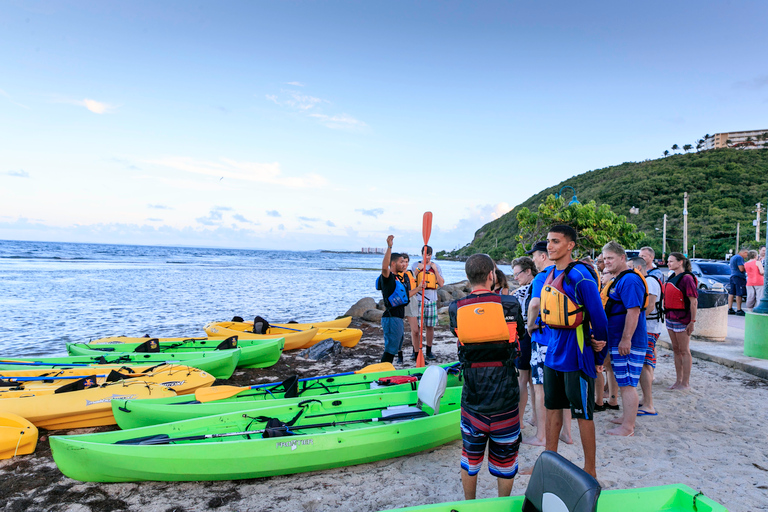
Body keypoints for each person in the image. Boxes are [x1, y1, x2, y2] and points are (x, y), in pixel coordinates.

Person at [448, 253, 525, 500]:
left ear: (468, 278)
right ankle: (502, 505)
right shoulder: (511, 305)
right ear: (492, 275)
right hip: (506, 399)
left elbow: (459, 335)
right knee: (506, 460)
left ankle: (470, 505)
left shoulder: (455, 308)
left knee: (470, 459)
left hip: (473, 399)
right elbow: (520, 336)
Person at [538, 226, 608, 477]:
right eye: (548, 241)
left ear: (570, 246)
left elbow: (600, 320)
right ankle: (549, 462)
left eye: (556, 241)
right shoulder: (549, 274)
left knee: (583, 414)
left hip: (577, 356)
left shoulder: (581, 276)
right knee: (552, 408)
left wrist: (599, 356)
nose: (550, 246)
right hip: (553, 354)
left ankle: (591, 471)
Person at [522, 243, 573, 448]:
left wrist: (530, 324)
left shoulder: (542, 276)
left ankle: (541, 436)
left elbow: (534, 304)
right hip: (565, 338)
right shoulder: (569, 273)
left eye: (534, 255)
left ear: (543, 256)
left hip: (543, 339)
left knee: (541, 387)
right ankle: (567, 434)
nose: (533, 260)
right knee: (563, 389)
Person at [601, 243, 647, 436]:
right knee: (623, 380)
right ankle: (626, 417)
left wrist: (626, 339)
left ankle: (628, 427)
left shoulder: (629, 280)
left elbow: (633, 312)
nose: (606, 262)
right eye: (604, 259)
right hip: (617, 338)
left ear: (622, 258)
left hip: (629, 340)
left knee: (628, 383)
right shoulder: (619, 279)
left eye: (610, 258)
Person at [628, 257, 662, 416]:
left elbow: (650, 305)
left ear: (639, 267)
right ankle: (645, 399)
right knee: (643, 364)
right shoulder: (644, 281)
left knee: (645, 365)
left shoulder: (649, 281)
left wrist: (636, 323)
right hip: (646, 327)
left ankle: (649, 403)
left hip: (648, 328)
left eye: (630, 267)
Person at [664, 252, 698, 390]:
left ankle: (685, 382)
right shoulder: (672, 277)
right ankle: (678, 380)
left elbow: (693, 301)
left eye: (671, 261)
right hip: (670, 317)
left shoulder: (687, 278)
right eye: (668, 261)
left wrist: (692, 321)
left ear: (680, 262)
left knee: (684, 350)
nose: (668, 263)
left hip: (682, 318)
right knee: (676, 350)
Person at [511, 257, 535, 438]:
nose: (515, 278)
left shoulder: (523, 291)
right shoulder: (540, 285)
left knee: (523, 379)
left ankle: (519, 420)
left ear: (528, 271)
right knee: (535, 381)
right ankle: (534, 416)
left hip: (526, 335)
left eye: (517, 274)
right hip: (537, 336)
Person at [378, 236, 410, 364]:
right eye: (401, 261)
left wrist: (419, 288)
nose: (403, 264)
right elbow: (384, 267)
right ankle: (382, 374)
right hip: (391, 318)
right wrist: (389, 247)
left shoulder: (398, 279)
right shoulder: (388, 278)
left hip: (397, 318)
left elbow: (406, 296)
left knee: (394, 348)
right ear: (393, 263)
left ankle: (386, 372)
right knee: (390, 350)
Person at [411, 245, 445, 360]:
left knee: (430, 326)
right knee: (417, 327)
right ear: (422, 254)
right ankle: (415, 350)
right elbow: (410, 280)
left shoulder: (436, 266)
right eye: (425, 254)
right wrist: (418, 269)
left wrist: (435, 269)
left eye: (429, 255)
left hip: (431, 300)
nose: (427, 257)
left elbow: (441, 284)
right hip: (418, 299)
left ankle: (429, 350)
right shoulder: (415, 265)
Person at [399, 254, 425, 365]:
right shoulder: (394, 275)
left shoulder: (410, 273)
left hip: (412, 302)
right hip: (400, 303)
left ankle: (416, 353)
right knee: (399, 331)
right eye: (402, 262)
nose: (404, 264)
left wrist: (421, 267)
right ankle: (399, 354)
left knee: (415, 330)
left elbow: (414, 274)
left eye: (406, 261)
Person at [728, 248, 749, 316]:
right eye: (747, 254)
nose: (747, 256)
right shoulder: (740, 258)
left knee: (732, 293)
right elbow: (741, 269)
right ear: (744, 252)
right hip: (739, 277)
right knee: (739, 293)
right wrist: (747, 267)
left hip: (733, 276)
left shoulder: (733, 257)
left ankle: (730, 308)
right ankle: (739, 309)